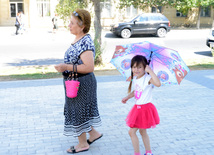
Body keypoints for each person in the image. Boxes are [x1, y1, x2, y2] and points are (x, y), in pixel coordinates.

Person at [54, 9, 102, 154]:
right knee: (78, 112)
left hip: (82, 84)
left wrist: (66, 67)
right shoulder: (79, 39)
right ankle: (93, 134)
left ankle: (82, 144)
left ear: (82, 26)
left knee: (77, 113)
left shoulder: (86, 41)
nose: (69, 25)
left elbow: (89, 67)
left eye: (72, 23)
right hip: (75, 83)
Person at [121, 55, 161, 155]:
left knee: (131, 132)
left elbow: (158, 83)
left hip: (145, 109)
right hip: (138, 108)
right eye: (134, 67)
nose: (136, 69)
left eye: (139, 67)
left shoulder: (148, 78)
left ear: (145, 67)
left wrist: (150, 71)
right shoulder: (136, 78)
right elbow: (136, 91)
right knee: (142, 132)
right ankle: (148, 152)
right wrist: (127, 97)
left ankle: (137, 153)